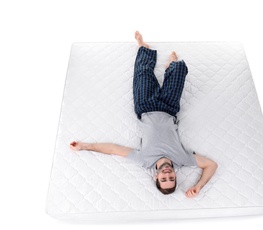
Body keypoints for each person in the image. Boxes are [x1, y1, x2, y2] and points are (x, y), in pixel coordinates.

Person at [70, 31, 218, 198]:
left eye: (164, 179)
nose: (167, 174)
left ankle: (143, 47)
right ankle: (172, 67)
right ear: (176, 176)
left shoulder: (144, 160)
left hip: (145, 107)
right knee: (180, 69)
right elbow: (211, 165)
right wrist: (199, 186)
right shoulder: (182, 159)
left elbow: (113, 149)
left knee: (143, 72)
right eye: (171, 178)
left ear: (156, 177)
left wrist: (85, 146)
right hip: (169, 108)